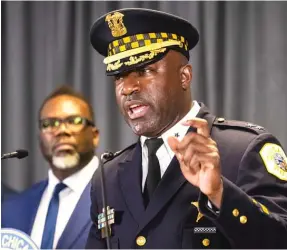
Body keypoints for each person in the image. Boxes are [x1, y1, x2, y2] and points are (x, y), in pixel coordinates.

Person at [86, 8, 287, 249]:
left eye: (144, 71)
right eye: (119, 76)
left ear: (184, 76)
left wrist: (221, 194)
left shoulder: (244, 150)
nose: (127, 88)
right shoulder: (107, 177)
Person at [2, 85, 100, 249]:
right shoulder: (12, 208)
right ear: (40, 138)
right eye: (50, 123)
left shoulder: (118, 193)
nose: (61, 131)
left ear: (94, 135)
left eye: (74, 121)